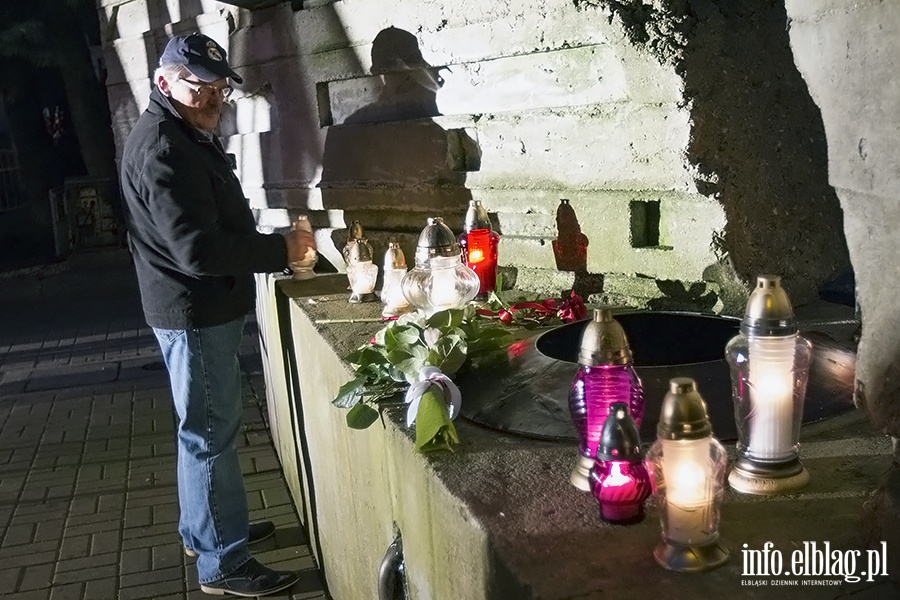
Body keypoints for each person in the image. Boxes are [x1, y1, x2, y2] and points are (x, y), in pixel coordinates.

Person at [119, 33, 314, 597]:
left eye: (219, 88)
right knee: (210, 437)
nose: (210, 98)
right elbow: (198, 251)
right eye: (196, 85)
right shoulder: (164, 148)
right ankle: (223, 563)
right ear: (164, 83)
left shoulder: (179, 134)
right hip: (195, 313)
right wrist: (282, 250)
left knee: (199, 433)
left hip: (193, 310)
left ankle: (204, 530)